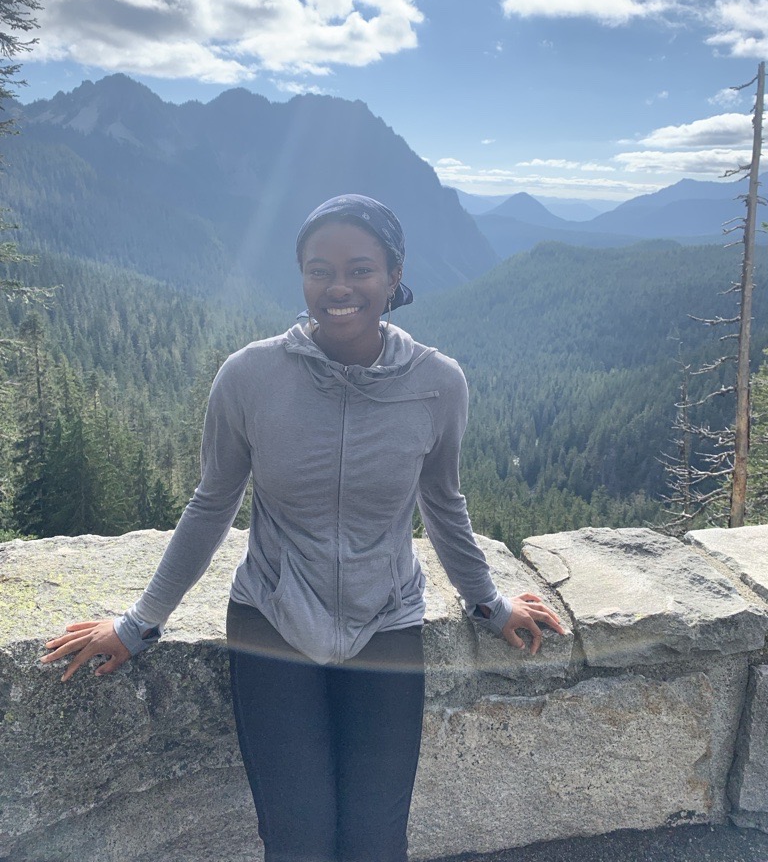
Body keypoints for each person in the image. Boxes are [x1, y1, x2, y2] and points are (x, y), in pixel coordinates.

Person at [41, 194, 565, 862]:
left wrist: (490, 604)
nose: (338, 287)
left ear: (394, 275)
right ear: (301, 277)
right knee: (298, 840)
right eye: (319, 270)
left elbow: (443, 504)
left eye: (360, 269)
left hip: (387, 621)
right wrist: (140, 622)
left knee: (377, 841)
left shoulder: (438, 383)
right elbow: (211, 505)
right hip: (272, 621)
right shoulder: (250, 376)